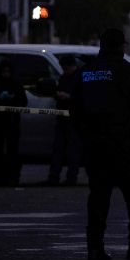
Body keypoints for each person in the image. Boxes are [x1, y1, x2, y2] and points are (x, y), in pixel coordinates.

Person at [70, 28, 130, 260]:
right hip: (124, 145)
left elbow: (74, 110)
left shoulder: (85, 73)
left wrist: (85, 136)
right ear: (122, 46)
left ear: (101, 45)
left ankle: (94, 248)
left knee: (98, 197)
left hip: (95, 146)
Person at [0, 59, 27, 186]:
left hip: (12, 123)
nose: (6, 74)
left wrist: (13, 100)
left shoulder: (16, 85)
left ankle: (12, 178)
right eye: (4, 71)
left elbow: (24, 101)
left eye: (8, 71)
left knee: (13, 153)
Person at [47, 55, 82, 186]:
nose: (64, 70)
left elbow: (82, 98)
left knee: (73, 150)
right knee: (58, 149)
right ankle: (54, 176)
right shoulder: (65, 78)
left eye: (66, 68)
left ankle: (71, 178)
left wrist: (68, 97)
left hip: (74, 120)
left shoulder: (79, 79)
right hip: (63, 118)